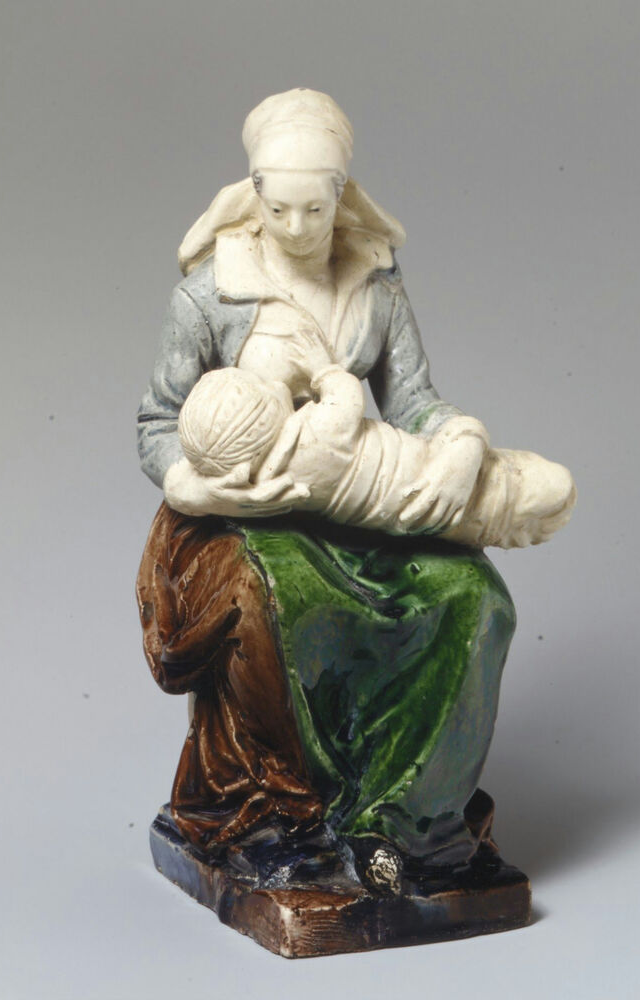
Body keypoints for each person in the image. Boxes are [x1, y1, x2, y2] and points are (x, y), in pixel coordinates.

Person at [136, 89, 553, 885]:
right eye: (279, 209)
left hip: (360, 498)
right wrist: (201, 488)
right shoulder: (210, 295)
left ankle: (403, 824)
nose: (296, 228)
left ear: (342, 199)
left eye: (315, 210)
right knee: (273, 605)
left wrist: (461, 446)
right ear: (253, 196)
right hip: (246, 514)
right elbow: (156, 421)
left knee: (473, 598)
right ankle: (280, 815)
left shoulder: (375, 287)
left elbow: (413, 403)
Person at [174, 348, 577, 548]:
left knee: (460, 516)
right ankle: (513, 510)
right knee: (512, 492)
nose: (273, 381)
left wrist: (466, 444)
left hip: (390, 516)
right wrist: (321, 367)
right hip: (411, 471)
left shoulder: (267, 476)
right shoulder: (317, 432)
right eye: (263, 388)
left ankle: (507, 520)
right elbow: (346, 394)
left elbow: (412, 399)